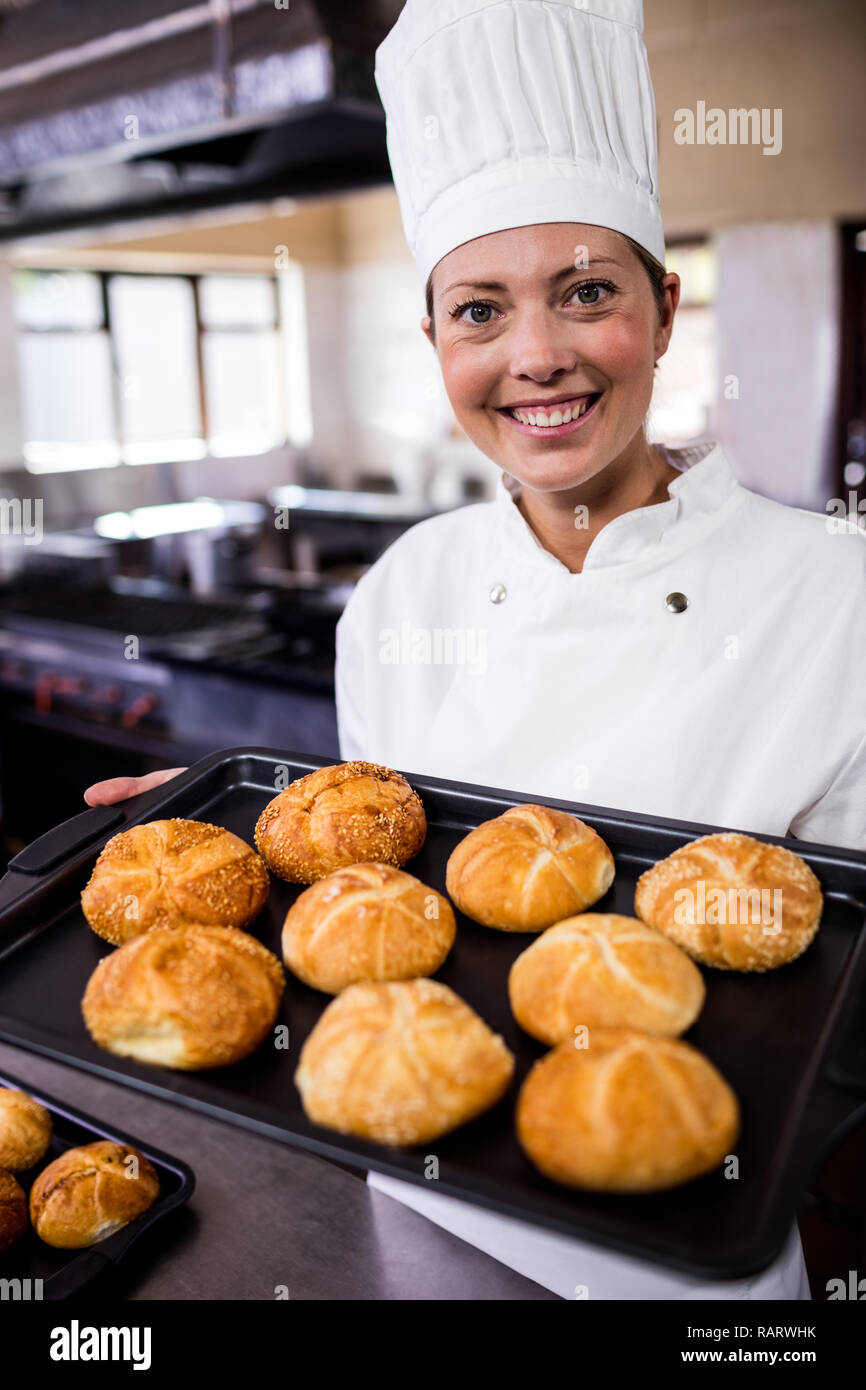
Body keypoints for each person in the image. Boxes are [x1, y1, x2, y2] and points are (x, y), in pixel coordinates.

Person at [86, 0, 865, 1299]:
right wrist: (208, 850)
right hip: (411, 1167)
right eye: (479, 311)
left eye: (586, 293)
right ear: (435, 340)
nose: (536, 356)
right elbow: (378, 882)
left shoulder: (836, 591)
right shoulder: (402, 590)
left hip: (682, 1241)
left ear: (665, 310)